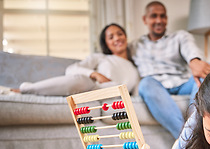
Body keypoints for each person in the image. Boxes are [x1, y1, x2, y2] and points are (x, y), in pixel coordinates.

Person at [129, 1, 210, 139]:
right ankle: (188, 138)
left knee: (208, 71)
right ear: (145, 19)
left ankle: (194, 127)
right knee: (145, 84)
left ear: (166, 19)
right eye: (154, 16)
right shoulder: (135, 46)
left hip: (182, 84)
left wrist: (194, 61)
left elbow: (190, 48)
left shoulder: (180, 36)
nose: (159, 20)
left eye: (162, 16)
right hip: (155, 87)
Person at [5, 23, 139, 96]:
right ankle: (26, 89)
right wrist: (95, 74)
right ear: (106, 43)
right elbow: (71, 69)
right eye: (111, 37)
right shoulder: (101, 58)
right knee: (82, 81)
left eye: (120, 34)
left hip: (114, 97)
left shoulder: (135, 69)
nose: (117, 38)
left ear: (126, 37)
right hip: (91, 89)